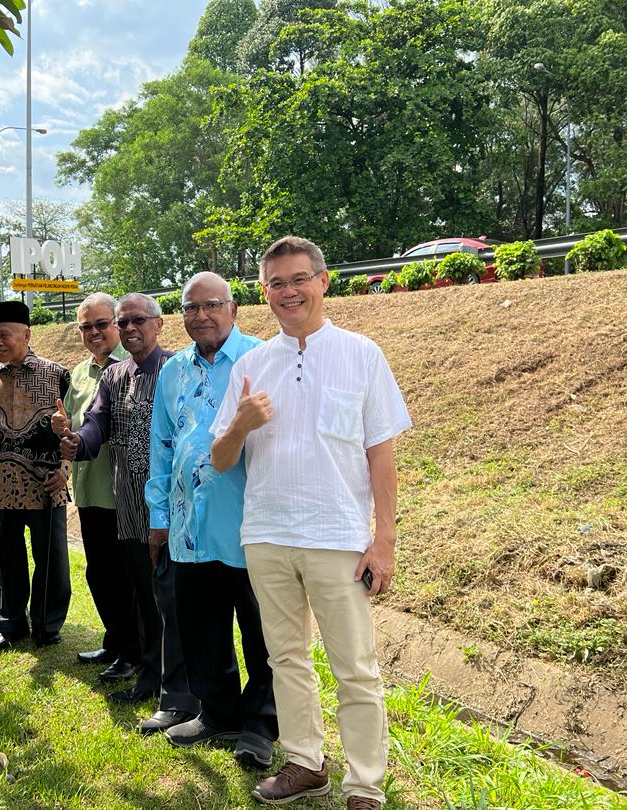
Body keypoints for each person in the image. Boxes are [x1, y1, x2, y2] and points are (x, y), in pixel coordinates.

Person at [210, 237, 411, 810]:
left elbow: (381, 453)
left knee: (356, 668)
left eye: (299, 279)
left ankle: (365, 784)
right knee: (285, 658)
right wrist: (241, 423)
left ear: (323, 281)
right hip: (267, 535)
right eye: (276, 283)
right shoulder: (251, 365)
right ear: (264, 292)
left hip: (337, 537)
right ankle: (305, 763)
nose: (289, 291)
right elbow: (220, 459)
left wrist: (384, 539)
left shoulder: (361, 354)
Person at [52, 292, 199, 735]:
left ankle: (182, 691)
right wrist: (77, 442)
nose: (130, 328)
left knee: (172, 599)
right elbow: (98, 421)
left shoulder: (178, 369)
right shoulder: (115, 375)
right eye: (124, 321)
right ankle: (151, 678)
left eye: (138, 320)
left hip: (175, 505)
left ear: (158, 324)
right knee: (145, 595)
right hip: (130, 504)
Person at [147, 271, 277, 767]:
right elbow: (162, 446)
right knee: (201, 627)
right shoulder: (173, 370)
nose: (200, 315)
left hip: (250, 523)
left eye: (212, 305)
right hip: (189, 526)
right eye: (191, 307)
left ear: (234, 309)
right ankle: (217, 713)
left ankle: (261, 724)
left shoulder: (262, 359)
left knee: (262, 631)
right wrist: (159, 514)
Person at [0, 300, 71, 653]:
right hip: (2, 486)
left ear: (27, 335)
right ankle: (10, 624)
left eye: (4, 335)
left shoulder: (56, 375)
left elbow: (74, 431)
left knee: (51, 560)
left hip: (46, 484)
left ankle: (48, 625)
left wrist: (65, 471)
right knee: (7, 560)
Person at [61, 292, 138, 681]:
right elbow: (71, 423)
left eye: (102, 324)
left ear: (118, 324)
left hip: (125, 494)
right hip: (90, 489)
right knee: (100, 573)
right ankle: (114, 641)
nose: (94, 332)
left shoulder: (134, 366)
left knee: (126, 578)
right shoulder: (78, 373)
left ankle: (133, 651)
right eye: (86, 327)